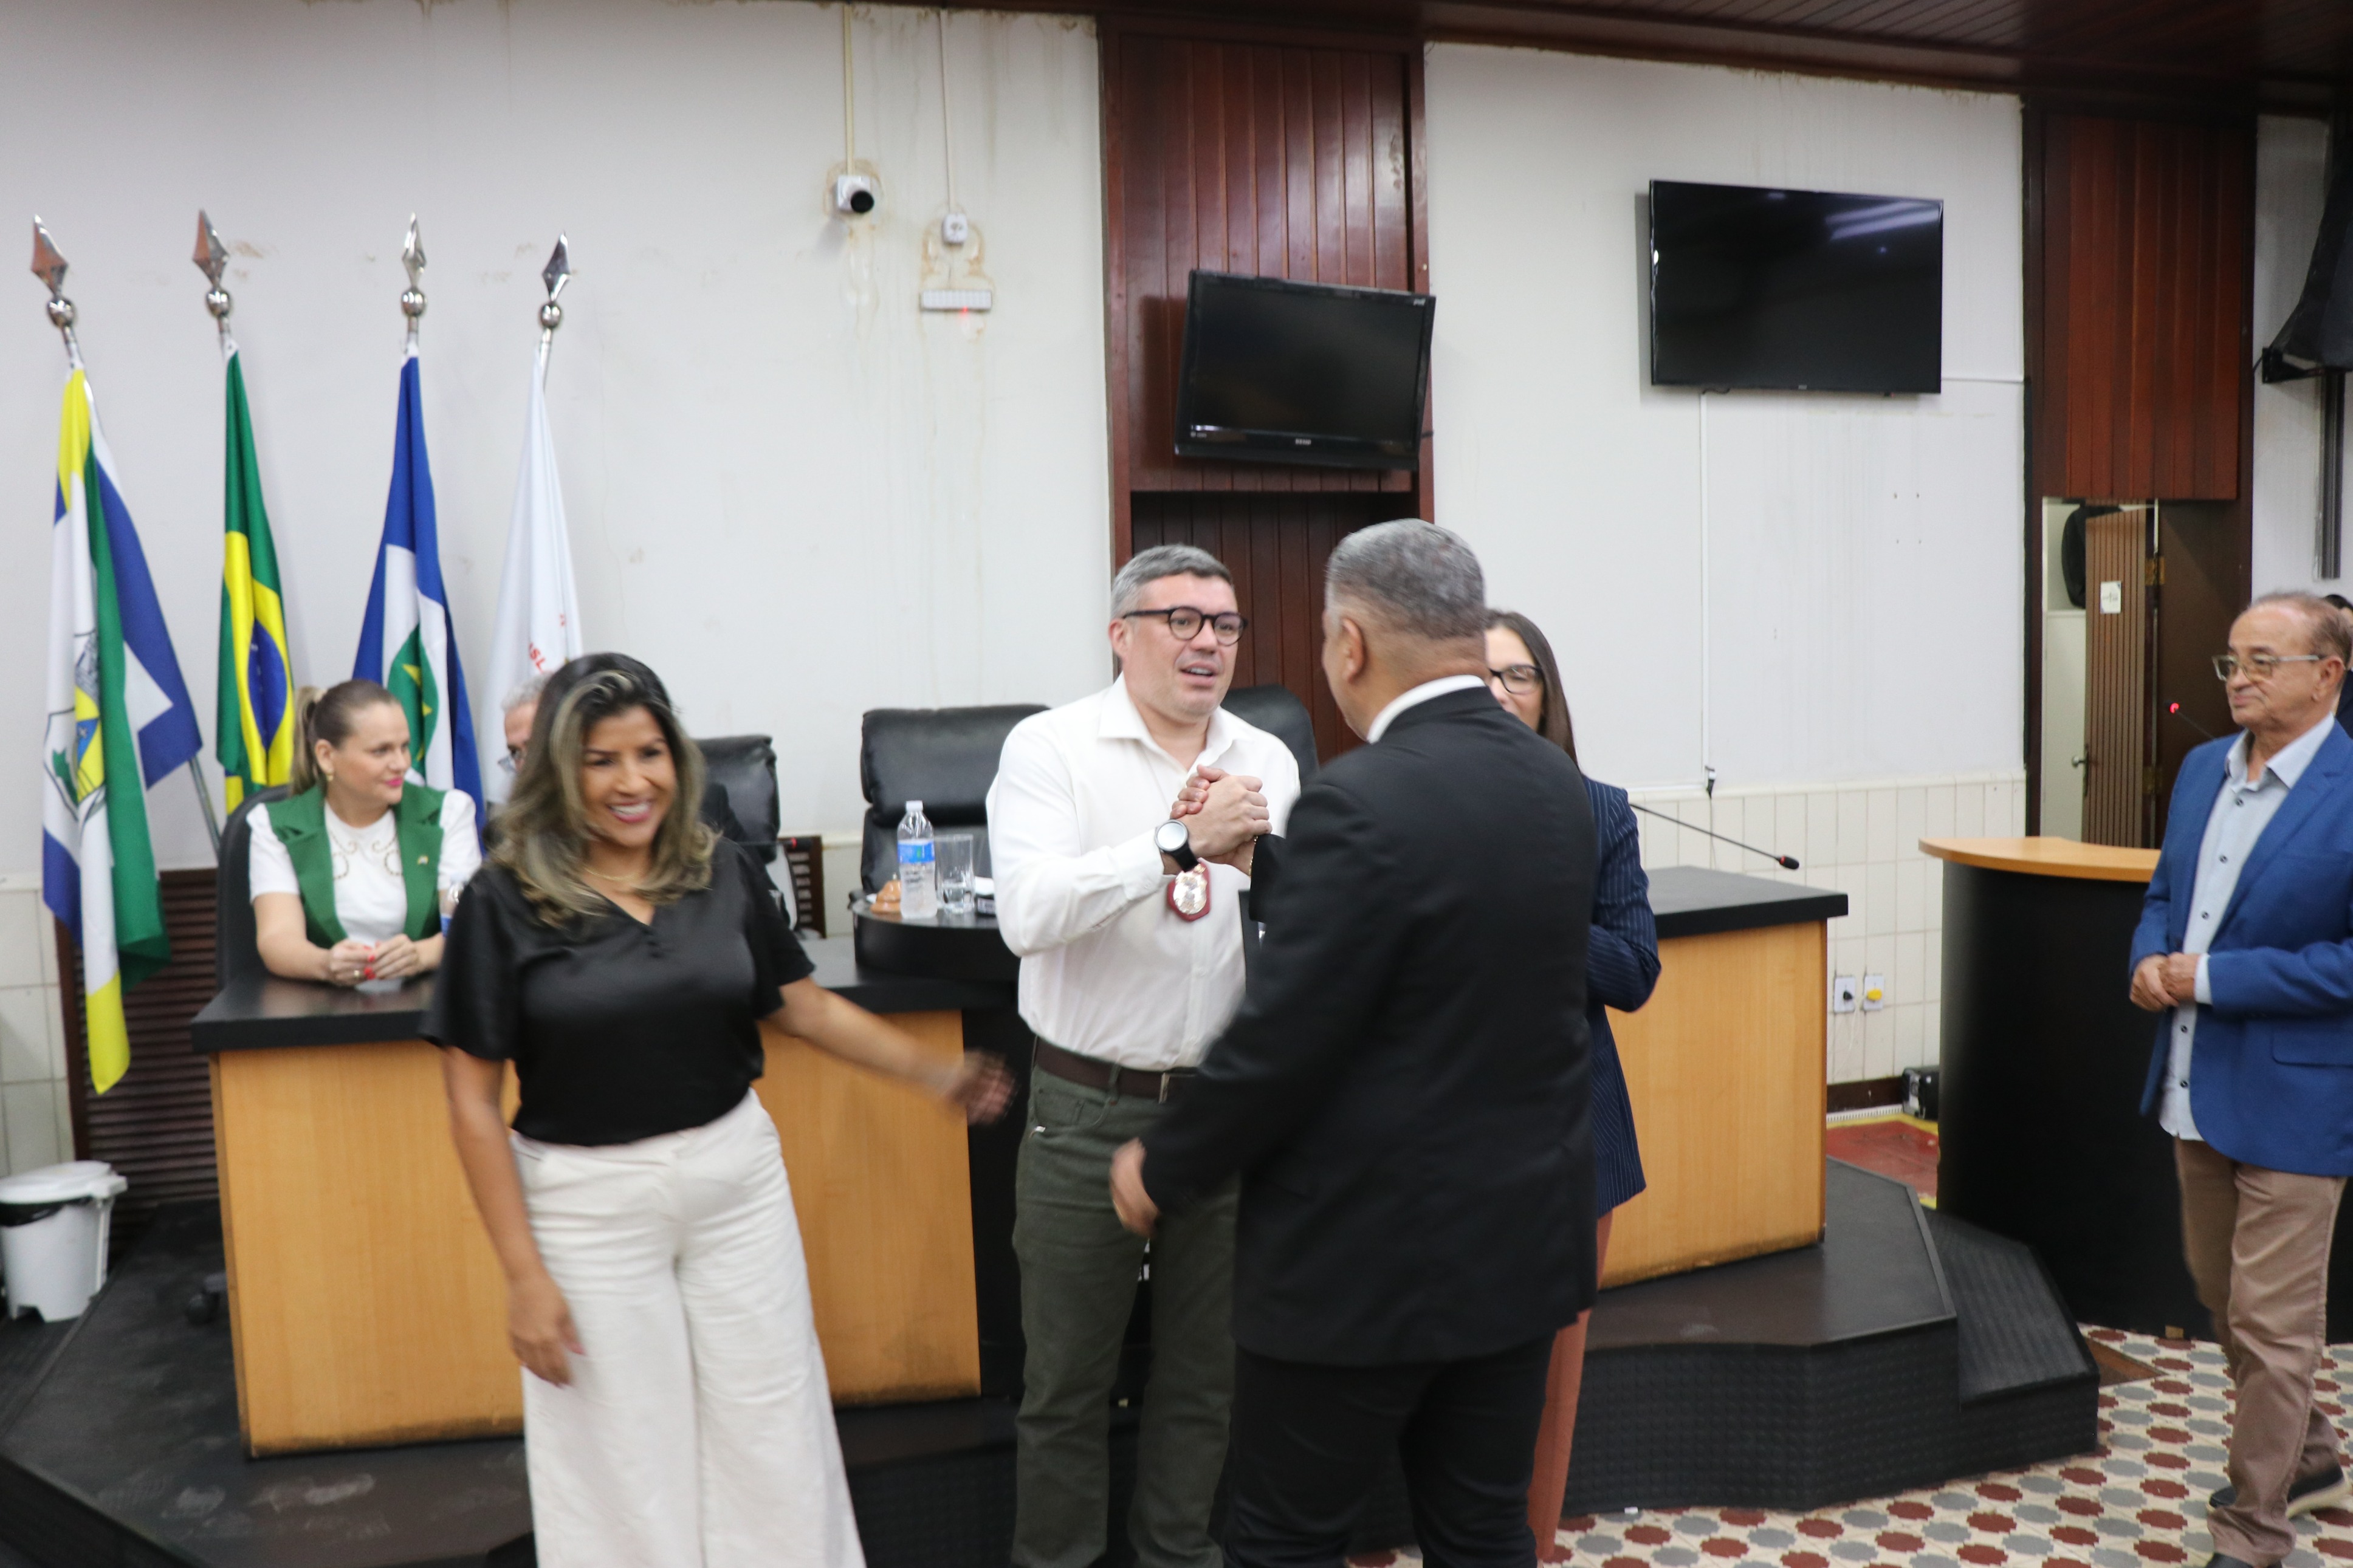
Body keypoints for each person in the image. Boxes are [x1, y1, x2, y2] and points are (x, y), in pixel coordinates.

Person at [427, 657, 1011, 1567]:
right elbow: (471, 1106)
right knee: (624, 1454)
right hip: (587, 1206)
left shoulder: (720, 869)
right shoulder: (501, 902)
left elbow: (803, 1008)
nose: (632, 781)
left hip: (736, 1185)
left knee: (773, 1428)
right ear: (558, 770)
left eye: (650, 753)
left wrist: (934, 1072)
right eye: (600, 760)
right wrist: (522, 1275)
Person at [1112, 520, 1598, 1568]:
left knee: (1284, 1539)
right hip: (1519, 1244)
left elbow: (1286, 1037)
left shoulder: (1359, 797)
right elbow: (1438, 931)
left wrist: (1166, 1160)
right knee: (1484, 1531)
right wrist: (1269, 860)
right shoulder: (1554, 784)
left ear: (1350, 642)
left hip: (1365, 1262)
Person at [984, 543, 1301, 1568]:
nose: (1208, 642)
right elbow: (1028, 915)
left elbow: (1300, 925)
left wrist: (1264, 860)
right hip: (1086, 1106)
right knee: (1067, 1382)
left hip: (1223, 1109)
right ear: (1121, 634)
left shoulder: (1268, 757)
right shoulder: (1052, 748)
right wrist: (1176, 844)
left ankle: (1177, 1554)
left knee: (1206, 1376)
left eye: (1225, 624)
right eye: (1181, 620)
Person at [2129, 591, 2353, 1568]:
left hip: (2302, 1101)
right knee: (2225, 1300)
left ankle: (2253, 1529)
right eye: (2232, 661)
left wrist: (2212, 978)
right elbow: (2165, 894)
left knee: (2273, 1324)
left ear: (2328, 674)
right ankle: (2311, 1457)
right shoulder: (2200, 771)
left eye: (2265, 661)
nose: (2240, 679)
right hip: (2196, 1087)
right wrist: (2149, 958)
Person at [1485, 609, 1660, 1559]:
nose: (1498, 692)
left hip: (1572, 1137)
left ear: (1547, 694)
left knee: (1552, 1379)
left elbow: (1633, 971)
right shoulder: (1423, 809)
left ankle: (1532, 1542)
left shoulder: (1600, 811)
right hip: (1451, 1137)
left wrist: (1541, 917)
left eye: (1517, 675)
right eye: (1478, 676)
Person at [250, 679, 480, 987]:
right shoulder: (277, 825)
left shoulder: (449, 813)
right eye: (381, 751)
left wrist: (421, 956)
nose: (401, 764)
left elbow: (467, 926)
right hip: (325, 1006)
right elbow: (277, 939)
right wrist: (325, 964)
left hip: (429, 1003)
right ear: (326, 756)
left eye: (404, 747)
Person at [500, 654, 746, 844]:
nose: (633, 784)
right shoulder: (506, 872)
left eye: (650, 754)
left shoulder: (722, 856)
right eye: (517, 753)